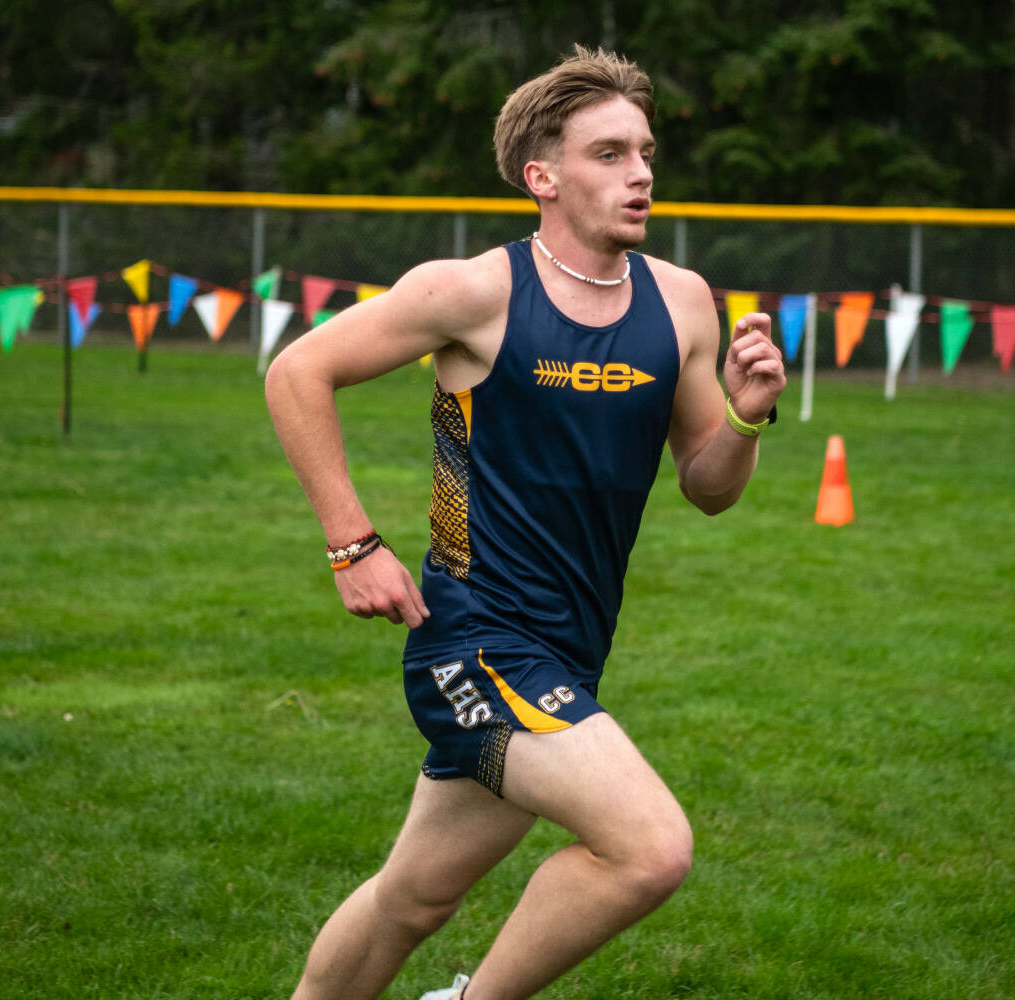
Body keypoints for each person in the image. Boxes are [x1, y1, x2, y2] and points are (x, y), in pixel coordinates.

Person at [264, 46, 785, 1000]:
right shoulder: (473, 291)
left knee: (412, 901)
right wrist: (353, 544)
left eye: (646, 153)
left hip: (569, 651)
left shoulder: (681, 304)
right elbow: (297, 371)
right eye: (611, 154)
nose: (641, 175)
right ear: (542, 177)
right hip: (473, 641)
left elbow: (708, 487)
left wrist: (748, 416)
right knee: (650, 848)